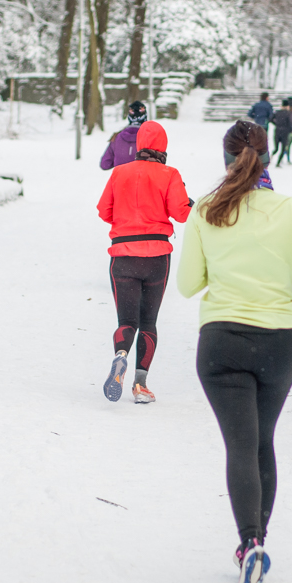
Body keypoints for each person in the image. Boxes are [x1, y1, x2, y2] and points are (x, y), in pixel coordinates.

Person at [177, 120, 292, 583]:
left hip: (221, 342)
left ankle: (250, 542)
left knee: (240, 446)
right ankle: (257, 542)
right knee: (263, 441)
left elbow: (187, 285)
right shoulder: (290, 207)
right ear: (267, 157)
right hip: (279, 342)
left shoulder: (207, 210)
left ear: (226, 158)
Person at [96, 121, 192, 403]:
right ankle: (140, 385)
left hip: (123, 255)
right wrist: (188, 202)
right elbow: (182, 214)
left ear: (139, 145)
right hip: (156, 258)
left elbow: (104, 211)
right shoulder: (170, 174)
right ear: (163, 146)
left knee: (127, 320)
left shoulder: (119, 172)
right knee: (148, 321)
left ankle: (120, 356)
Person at [100, 101, 148, 170]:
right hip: (143, 176)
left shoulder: (117, 137)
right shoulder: (151, 138)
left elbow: (105, 164)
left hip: (120, 176)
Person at [270, 98, 292, 167]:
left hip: (277, 131)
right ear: (288, 106)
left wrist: (276, 124)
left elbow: (270, 119)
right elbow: (291, 123)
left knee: (276, 148)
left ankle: (271, 157)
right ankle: (278, 163)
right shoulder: (289, 113)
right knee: (283, 148)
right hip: (285, 132)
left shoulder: (277, 112)